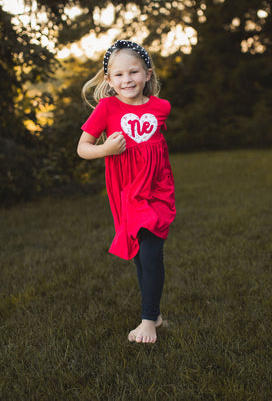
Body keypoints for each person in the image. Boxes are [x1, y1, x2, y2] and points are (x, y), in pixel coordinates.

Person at [77, 40, 176, 344]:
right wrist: (106, 148)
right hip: (126, 192)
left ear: (148, 74)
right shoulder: (107, 108)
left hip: (157, 190)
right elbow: (82, 148)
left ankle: (147, 320)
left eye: (134, 72)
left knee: (151, 251)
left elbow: (155, 149)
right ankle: (155, 313)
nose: (127, 80)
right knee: (140, 255)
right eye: (118, 75)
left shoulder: (161, 107)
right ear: (108, 80)